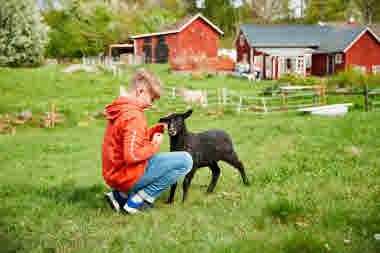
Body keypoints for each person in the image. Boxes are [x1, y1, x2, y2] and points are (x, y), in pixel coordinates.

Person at [102, 68, 193, 214]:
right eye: (152, 99)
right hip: (125, 176)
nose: (152, 104)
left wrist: (151, 132)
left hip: (114, 174)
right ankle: (139, 201)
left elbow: (125, 141)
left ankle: (120, 196)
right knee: (186, 160)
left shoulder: (120, 110)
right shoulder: (134, 116)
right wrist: (154, 145)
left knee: (158, 160)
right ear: (141, 92)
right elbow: (132, 156)